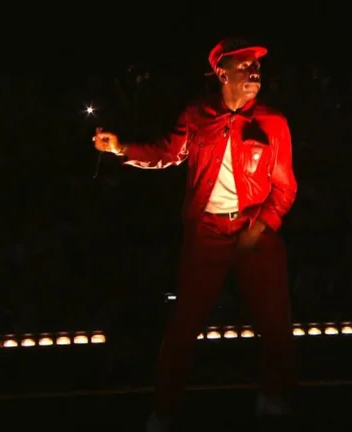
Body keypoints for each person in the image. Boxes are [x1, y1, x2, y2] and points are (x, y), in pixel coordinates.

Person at [94, 38, 298, 431]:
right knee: (184, 326)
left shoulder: (274, 122)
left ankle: (274, 398)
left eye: (256, 65)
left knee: (276, 322)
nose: (254, 71)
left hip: (254, 228)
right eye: (245, 65)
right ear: (222, 73)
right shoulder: (197, 114)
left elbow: (285, 189)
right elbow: (167, 153)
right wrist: (122, 148)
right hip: (206, 230)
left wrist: (259, 228)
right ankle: (164, 412)